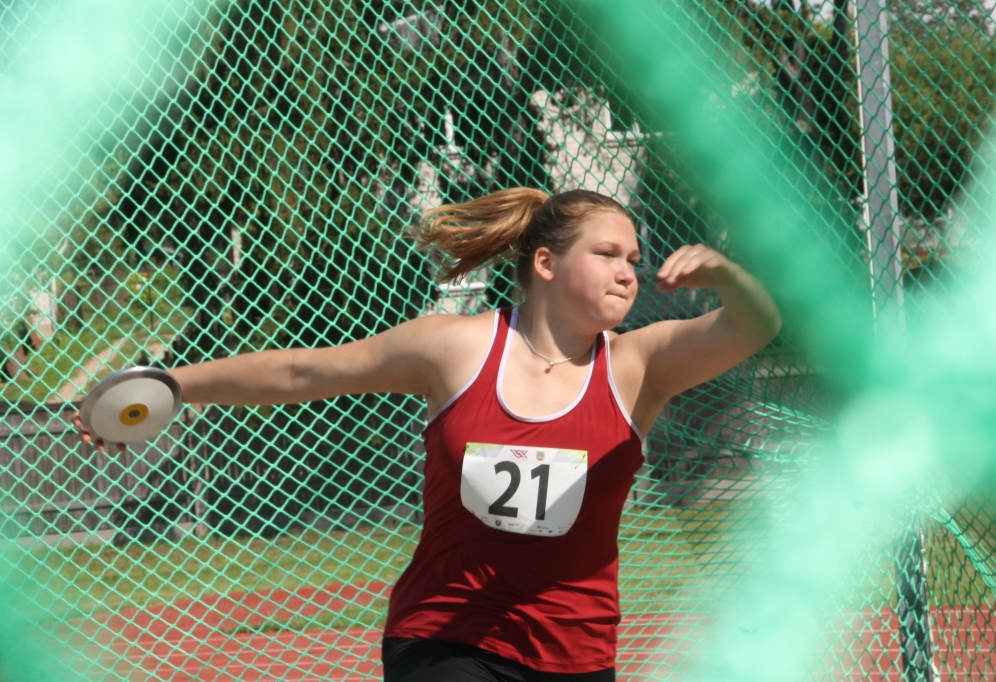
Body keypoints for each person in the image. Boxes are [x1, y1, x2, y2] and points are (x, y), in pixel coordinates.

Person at [76, 188, 781, 681]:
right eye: (607, 254)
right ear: (546, 263)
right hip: (445, 636)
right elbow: (301, 372)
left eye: (633, 257)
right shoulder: (453, 348)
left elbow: (756, 325)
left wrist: (727, 275)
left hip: (575, 650)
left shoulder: (638, 364)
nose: (628, 272)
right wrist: (169, 384)